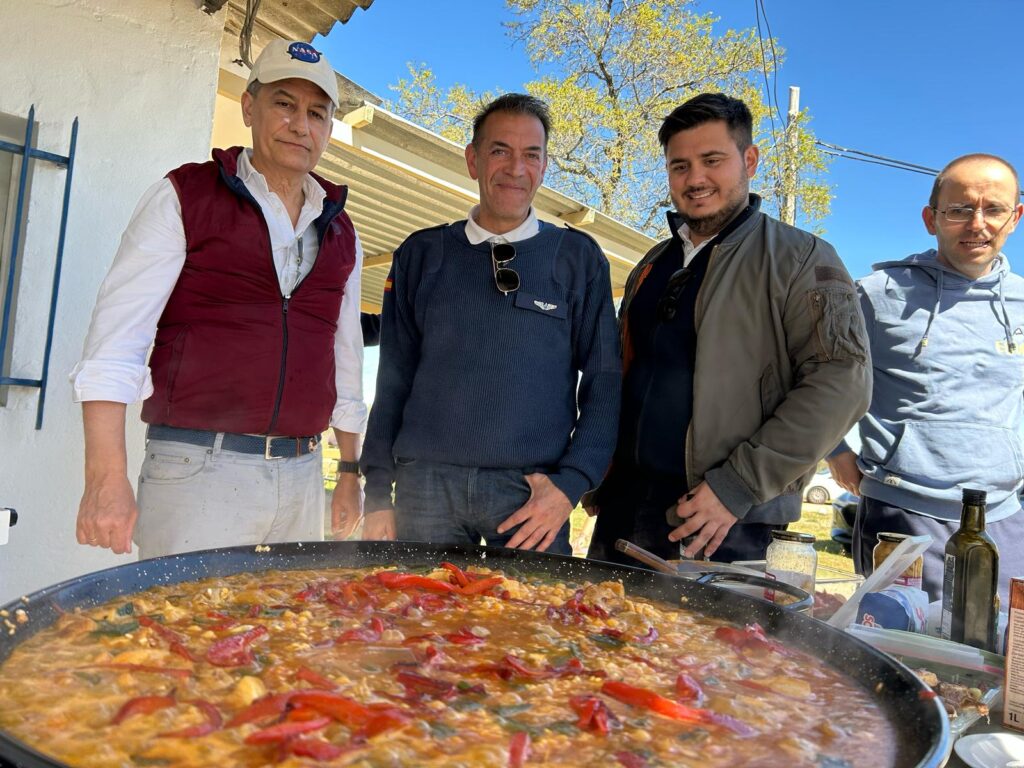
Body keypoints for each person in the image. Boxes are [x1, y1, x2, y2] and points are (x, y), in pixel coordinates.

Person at [70, 39, 366, 558]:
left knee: (288, 635)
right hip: (195, 468)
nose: (301, 125)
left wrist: (347, 470)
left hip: (301, 475)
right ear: (249, 107)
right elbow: (115, 343)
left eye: (317, 113)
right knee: (182, 634)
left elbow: (345, 358)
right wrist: (105, 479)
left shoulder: (342, 229)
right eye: (284, 104)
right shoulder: (185, 196)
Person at [587, 93, 871, 567]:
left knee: (702, 645)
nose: (695, 179)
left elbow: (841, 382)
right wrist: (598, 474)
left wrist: (737, 485)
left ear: (750, 160)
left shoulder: (800, 259)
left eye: (712, 160)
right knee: (597, 637)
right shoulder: (652, 264)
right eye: (680, 166)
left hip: (725, 521)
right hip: (623, 508)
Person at [360, 93, 620, 554]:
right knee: (420, 622)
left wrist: (570, 485)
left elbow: (604, 380)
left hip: (530, 495)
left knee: (535, 623)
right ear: (473, 160)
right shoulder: (421, 255)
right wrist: (378, 493)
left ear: (543, 167)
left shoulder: (578, 259)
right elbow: (392, 380)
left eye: (531, 155)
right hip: (425, 492)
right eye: (500, 150)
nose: (516, 168)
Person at [827, 153, 1024, 603]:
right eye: (958, 210)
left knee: (1002, 657)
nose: (977, 224)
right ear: (930, 218)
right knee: (907, 659)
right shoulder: (875, 296)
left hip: (1006, 520)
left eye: (993, 209)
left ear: (1015, 218)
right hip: (903, 515)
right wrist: (835, 451)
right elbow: (812, 375)